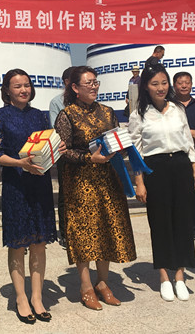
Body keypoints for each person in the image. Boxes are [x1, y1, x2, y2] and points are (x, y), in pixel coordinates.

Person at [54, 66, 137, 311]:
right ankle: (86, 286)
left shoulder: (107, 112)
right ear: (75, 88)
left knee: (106, 229)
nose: (93, 86)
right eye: (88, 83)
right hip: (80, 182)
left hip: (107, 180)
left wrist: (123, 146)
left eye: (95, 82)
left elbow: (114, 140)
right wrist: (88, 158)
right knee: (83, 233)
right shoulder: (67, 115)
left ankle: (103, 283)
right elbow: (63, 151)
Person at [0, 69, 60, 324]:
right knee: (18, 244)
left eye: (27, 85)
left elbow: (47, 146)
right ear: (7, 90)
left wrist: (56, 149)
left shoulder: (39, 116)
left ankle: (37, 297)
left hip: (39, 184)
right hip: (16, 185)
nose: (23, 90)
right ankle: (21, 298)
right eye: (17, 86)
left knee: (39, 242)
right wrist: (20, 163)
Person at [128, 64, 195, 302]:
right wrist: (139, 182)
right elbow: (136, 151)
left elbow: (188, 142)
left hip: (181, 166)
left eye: (163, 83)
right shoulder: (139, 114)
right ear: (145, 87)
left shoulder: (177, 109)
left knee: (183, 221)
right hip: (155, 169)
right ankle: (163, 276)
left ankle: (180, 275)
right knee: (159, 223)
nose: (160, 88)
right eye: (154, 84)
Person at [173, 71, 195, 243]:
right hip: (177, 155)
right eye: (180, 83)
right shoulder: (169, 106)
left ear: (192, 85)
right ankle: (179, 230)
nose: (184, 85)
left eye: (187, 82)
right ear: (174, 86)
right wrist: (189, 133)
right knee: (178, 192)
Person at [48, 66, 74, 247]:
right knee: (66, 194)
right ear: (67, 82)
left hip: (86, 155)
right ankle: (65, 233)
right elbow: (55, 128)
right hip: (65, 154)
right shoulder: (57, 102)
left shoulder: (84, 101)